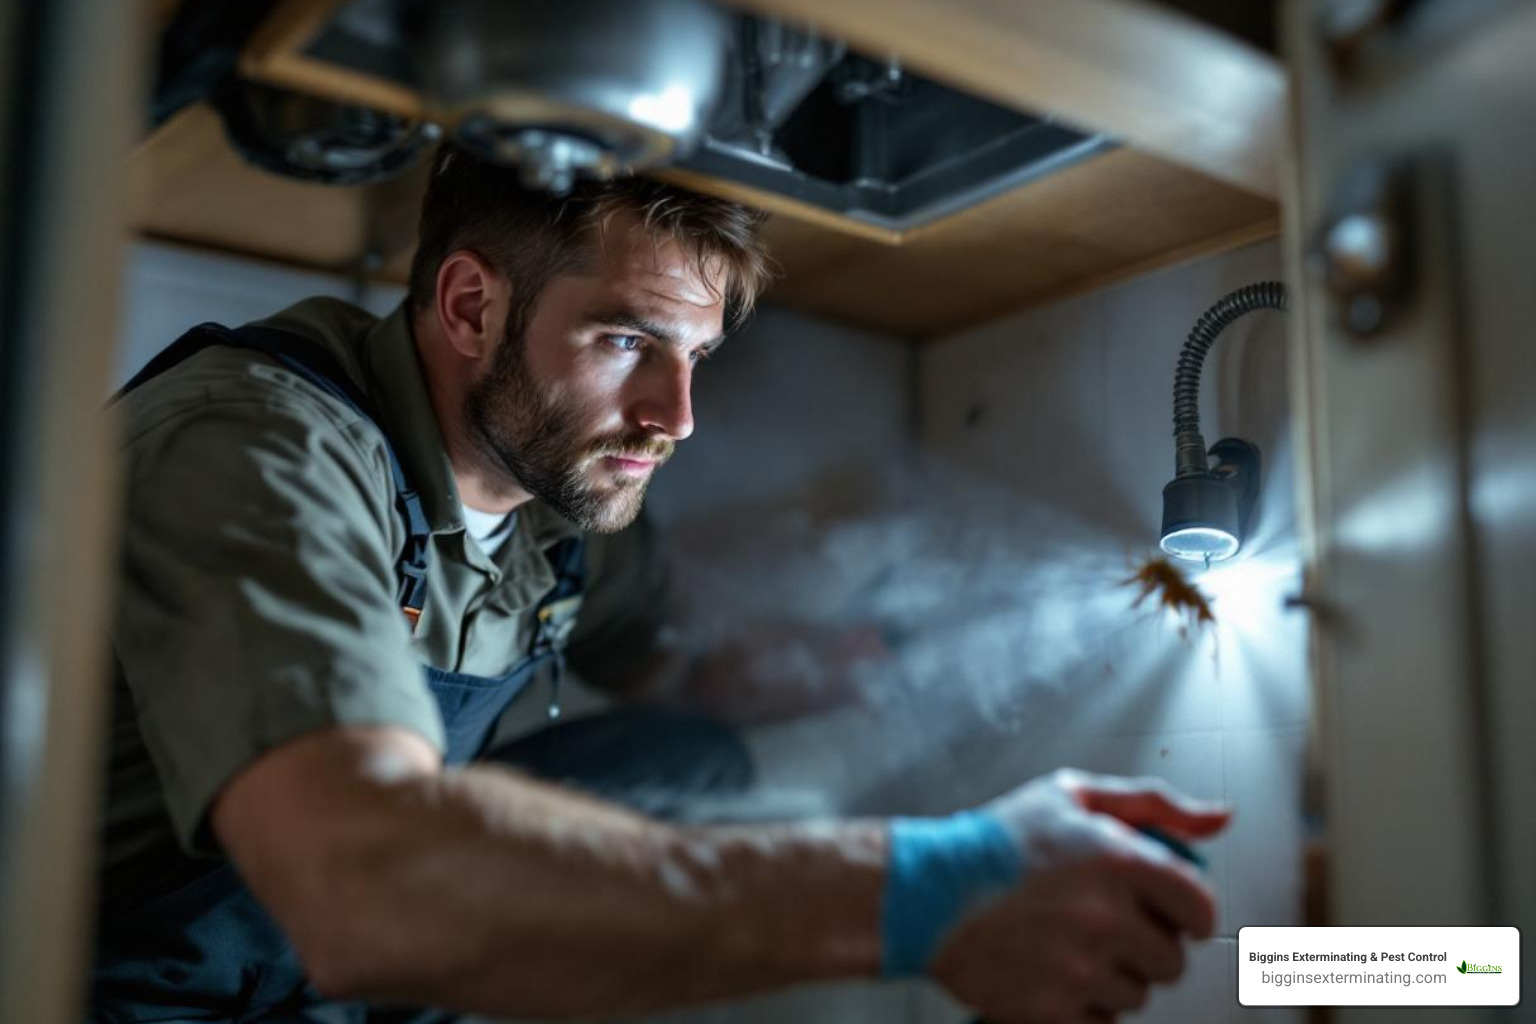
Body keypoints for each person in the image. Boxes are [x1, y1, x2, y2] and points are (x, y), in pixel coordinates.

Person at [92, 142, 1232, 1023]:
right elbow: (352, 878)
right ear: (471, 307)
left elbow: (681, 664)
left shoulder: (565, 492)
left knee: (682, 756)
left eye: (694, 358)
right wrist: (930, 891)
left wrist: (905, 651)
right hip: (116, 975)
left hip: (313, 967)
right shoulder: (259, 451)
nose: (675, 418)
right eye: (628, 343)